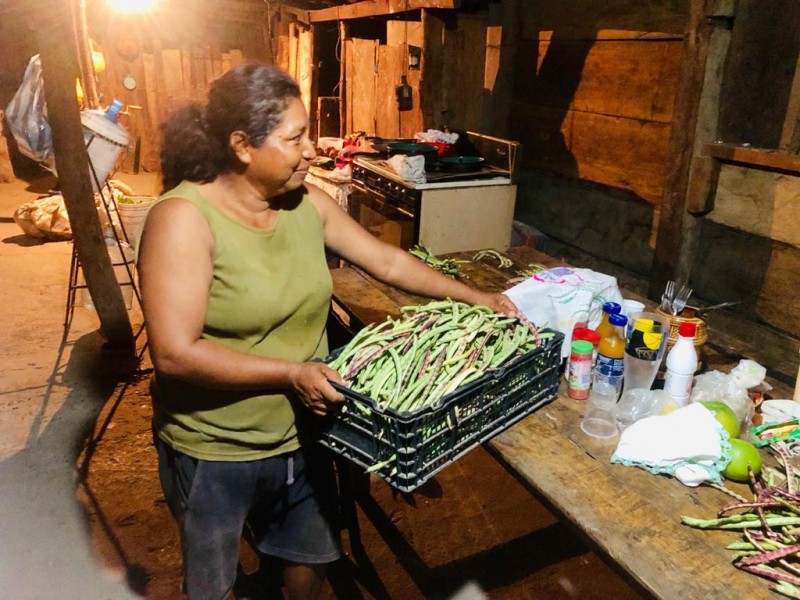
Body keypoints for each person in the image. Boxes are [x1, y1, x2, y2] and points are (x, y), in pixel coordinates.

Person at [137, 62, 519, 600]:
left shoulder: (306, 204)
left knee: (306, 557)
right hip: (216, 448)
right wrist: (293, 373)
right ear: (243, 146)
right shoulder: (184, 219)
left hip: (305, 431)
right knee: (212, 584)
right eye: (295, 138)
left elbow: (386, 262)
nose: (312, 150)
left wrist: (479, 297)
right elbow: (175, 354)